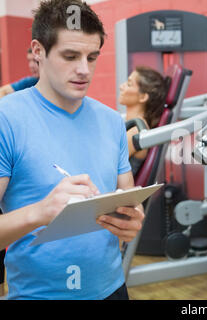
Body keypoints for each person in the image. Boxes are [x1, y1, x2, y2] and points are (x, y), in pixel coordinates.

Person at [0, 0, 144, 300]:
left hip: (112, 289)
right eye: (70, 56)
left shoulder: (111, 121)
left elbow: (127, 200)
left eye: (92, 57)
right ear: (38, 51)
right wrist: (41, 212)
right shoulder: (7, 118)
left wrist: (130, 221)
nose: (84, 70)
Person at [119, 66, 169, 176]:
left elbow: (105, 164)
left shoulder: (137, 131)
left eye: (129, 84)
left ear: (143, 97)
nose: (121, 87)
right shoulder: (131, 126)